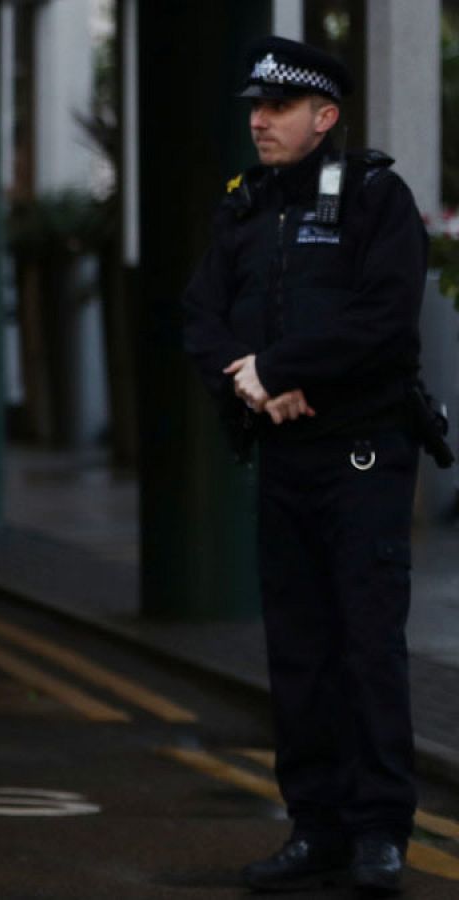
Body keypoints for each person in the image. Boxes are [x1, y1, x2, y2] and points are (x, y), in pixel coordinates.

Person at [182, 36, 432, 895]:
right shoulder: (245, 207)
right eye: (256, 107)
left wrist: (281, 369)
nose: (260, 121)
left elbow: (387, 319)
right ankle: (314, 827)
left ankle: (379, 833)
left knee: (367, 646)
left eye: (279, 108)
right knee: (299, 650)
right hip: (284, 453)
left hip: (363, 453)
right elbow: (200, 316)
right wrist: (251, 382)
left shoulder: (375, 197)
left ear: (324, 117)